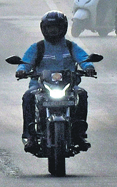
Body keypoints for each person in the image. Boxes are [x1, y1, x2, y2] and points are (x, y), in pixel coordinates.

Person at [16, 11, 95, 153]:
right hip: (40, 87)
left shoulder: (70, 47)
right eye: (49, 28)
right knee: (28, 96)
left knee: (82, 94)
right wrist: (21, 69)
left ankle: (79, 134)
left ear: (63, 28)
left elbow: (83, 58)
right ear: (43, 29)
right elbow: (25, 62)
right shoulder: (37, 47)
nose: (52, 31)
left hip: (68, 87)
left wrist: (89, 67)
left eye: (55, 28)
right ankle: (30, 136)